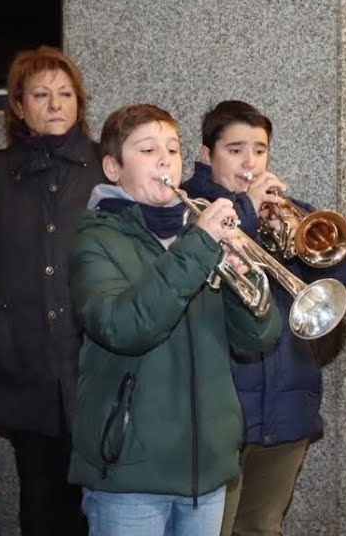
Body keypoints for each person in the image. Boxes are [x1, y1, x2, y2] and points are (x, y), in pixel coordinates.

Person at [68, 103, 283, 536]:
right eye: (148, 150)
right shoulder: (95, 240)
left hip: (206, 469)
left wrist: (250, 290)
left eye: (173, 148)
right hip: (131, 472)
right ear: (113, 168)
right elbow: (125, 327)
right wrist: (199, 245)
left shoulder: (195, 236)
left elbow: (256, 341)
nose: (166, 159)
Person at [180, 100, 346, 536]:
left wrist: (303, 238)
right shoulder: (190, 210)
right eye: (236, 149)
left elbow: (338, 280)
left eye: (259, 150)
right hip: (219, 411)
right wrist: (244, 214)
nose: (250, 161)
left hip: (285, 405)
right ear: (206, 155)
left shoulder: (292, 211)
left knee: (262, 527)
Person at [0, 45, 105, 536]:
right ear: (18, 106)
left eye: (66, 94)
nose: (56, 104)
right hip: (22, 356)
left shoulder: (105, 166)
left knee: (97, 503)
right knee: (39, 499)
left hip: (93, 356)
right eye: (41, 94)